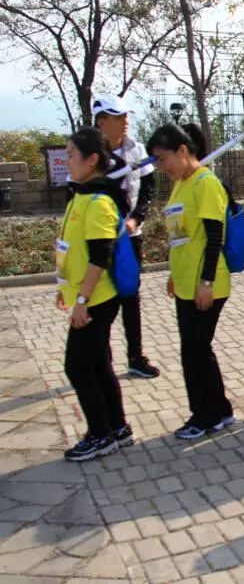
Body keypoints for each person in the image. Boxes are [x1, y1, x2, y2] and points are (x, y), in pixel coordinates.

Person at [147, 123, 235, 439]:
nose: (161, 166)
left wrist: (206, 281)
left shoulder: (205, 183)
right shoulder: (180, 184)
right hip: (186, 282)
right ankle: (220, 410)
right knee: (198, 350)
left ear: (183, 151)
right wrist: (175, 274)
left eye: (162, 158)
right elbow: (182, 236)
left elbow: (214, 236)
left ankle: (204, 417)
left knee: (195, 352)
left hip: (206, 283)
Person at [57, 127, 133, 461]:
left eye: (71, 154)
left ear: (92, 160)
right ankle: (117, 428)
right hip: (84, 297)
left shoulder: (100, 201)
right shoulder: (82, 195)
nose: (66, 160)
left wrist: (83, 301)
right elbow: (71, 249)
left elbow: (100, 257)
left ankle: (99, 434)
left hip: (97, 299)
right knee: (99, 364)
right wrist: (65, 289)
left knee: (77, 366)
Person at [92, 94, 160, 379]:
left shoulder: (137, 149)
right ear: (101, 121)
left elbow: (147, 188)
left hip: (131, 236)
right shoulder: (89, 153)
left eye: (126, 116)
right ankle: (101, 358)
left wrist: (136, 218)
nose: (125, 122)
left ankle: (135, 356)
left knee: (130, 295)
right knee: (102, 299)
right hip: (100, 237)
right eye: (118, 118)